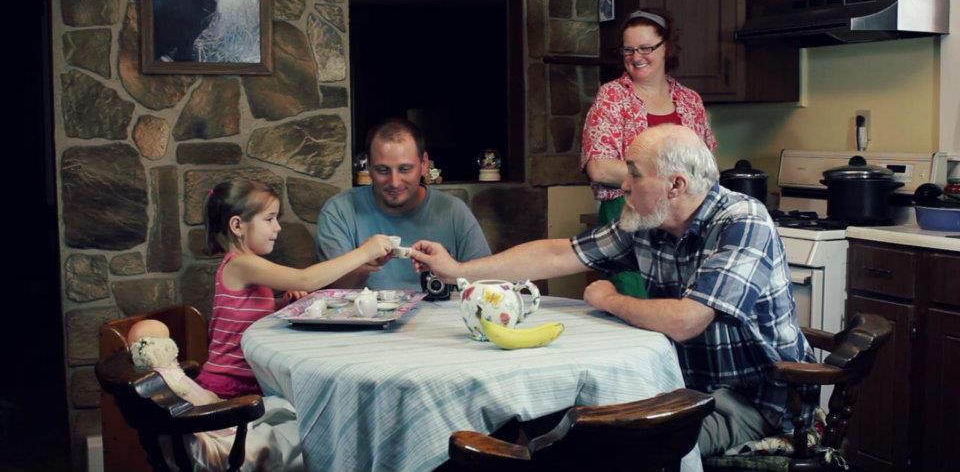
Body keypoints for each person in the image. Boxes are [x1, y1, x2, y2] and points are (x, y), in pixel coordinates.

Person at [411, 124, 816, 456]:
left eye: (635, 172)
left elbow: (686, 320)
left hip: (750, 402)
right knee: (551, 419)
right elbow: (559, 254)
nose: (623, 184)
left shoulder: (741, 220)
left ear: (675, 184)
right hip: (678, 387)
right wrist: (458, 270)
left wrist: (609, 300)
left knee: (606, 452)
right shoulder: (648, 220)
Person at [197, 179, 395, 398]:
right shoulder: (240, 263)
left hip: (247, 382)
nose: (278, 227)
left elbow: (247, 316)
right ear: (237, 226)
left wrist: (282, 304)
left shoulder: (247, 265)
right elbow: (305, 279)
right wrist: (365, 252)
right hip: (229, 386)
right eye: (269, 219)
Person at [581, 8, 718, 300]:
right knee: (636, 305)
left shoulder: (690, 100)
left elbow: (708, 169)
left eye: (645, 47)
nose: (636, 56)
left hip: (684, 222)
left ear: (666, 47)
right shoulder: (613, 96)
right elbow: (600, 168)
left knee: (683, 306)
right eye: (628, 49)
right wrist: (664, 180)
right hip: (628, 216)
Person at [315, 118, 490, 290]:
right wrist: (363, 263)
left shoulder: (453, 211)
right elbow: (333, 293)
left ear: (423, 164)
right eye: (383, 170)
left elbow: (487, 283)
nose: (395, 182)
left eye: (405, 169)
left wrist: (453, 270)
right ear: (368, 166)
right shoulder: (338, 211)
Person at [127, 319, 304, 471]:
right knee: (291, 436)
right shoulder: (167, 380)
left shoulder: (157, 376)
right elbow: (197, 409)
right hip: (205, 442)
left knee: (282, 406)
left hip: (186, 432)